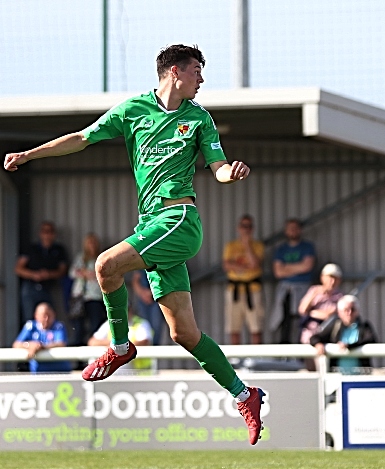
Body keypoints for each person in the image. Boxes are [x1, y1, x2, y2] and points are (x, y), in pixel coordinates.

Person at [4, 44, 264, 445]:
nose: (203, 79)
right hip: (154, 226)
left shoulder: (199, 119)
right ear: (175, 71)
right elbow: (81, 137)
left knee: (105, 265)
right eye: (198, 70)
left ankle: (121, 345)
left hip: (178, 219)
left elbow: (219, 169)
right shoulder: (134, 111)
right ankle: (245, 394)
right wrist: (29, 154)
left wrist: (233, 171)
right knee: (184, 334)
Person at [271, 218, 316, 343]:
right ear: (286, 231)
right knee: (285, 319)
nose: (293, 231)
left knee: (302, 318)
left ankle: (301, 346)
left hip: (302, 288)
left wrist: (286, 267)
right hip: (286, 289)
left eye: (295, 228)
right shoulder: (281, 249)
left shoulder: (307, 247)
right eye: (290, 228)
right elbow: (278, 272)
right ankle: (285, 351)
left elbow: (307, 266)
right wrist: (298, 266)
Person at [222, 214, 265, 345]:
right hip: (234, 290)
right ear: (238, 228)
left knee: (255, 326)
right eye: (243, 226)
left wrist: (247, 246)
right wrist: (244, 267)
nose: (246, 229)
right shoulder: (230, 246)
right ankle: (235, 359)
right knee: (233, 327)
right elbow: (226, 265)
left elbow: (254, 264)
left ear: (252, 229)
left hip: (253, 290)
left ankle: (256, 359)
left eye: (249, 226)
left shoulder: (257, 246)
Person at [15, 221, 69, 323]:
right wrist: (33, 275)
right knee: (29, 319)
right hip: (30, 287)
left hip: (47, 289)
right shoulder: (31, 248)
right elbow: (18, 268)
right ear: (40, 233)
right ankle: (30, 339)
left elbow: (63, 270)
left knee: (48, 318)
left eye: (50, 231)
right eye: (45, 231)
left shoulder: (58, 250)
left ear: (54, 234)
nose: (47, 234)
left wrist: (49, 274)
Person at [309, 295, 378, 374]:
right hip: (337, 376)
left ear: (357, 312)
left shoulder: (364, 326)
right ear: (339, 312)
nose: (349, 313)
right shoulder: (335, 326)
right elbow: (314, 337)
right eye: (346, 310)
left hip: (361, 376)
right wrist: (318, 344)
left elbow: (370, 340)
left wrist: (349, 346)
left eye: (353, 309)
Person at [89, 304, 154, 373]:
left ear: (131, 311)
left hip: (137, 372)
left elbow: (144, 341)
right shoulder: (109, 323)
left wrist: (122, 346)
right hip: (114, 371)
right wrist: (115, 344)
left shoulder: (141, 323)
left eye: (126, 310)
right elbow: (92, 342)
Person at [68, 233, 107, 345]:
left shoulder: (101, 257)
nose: (92, 245)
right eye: (90, 243)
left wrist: (92, 274)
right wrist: (85, 273)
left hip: (95, 297)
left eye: (94, 243)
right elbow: (72, 273)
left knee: (95, 326)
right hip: (80, 296)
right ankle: (79, 360)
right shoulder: (81, 258)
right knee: (78, 328)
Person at [13, 302, 72, 373]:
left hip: (60, 372)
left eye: (49, 315)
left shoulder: (58, 326)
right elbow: (16, 344)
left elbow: (61, 343)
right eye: (44, 315)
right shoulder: (31, 326)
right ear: (36, 316)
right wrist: (30, 345)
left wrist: (41, 347)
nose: (46, 318)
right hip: (39, 372)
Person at [131, 269, 166, 346]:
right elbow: (135, 280)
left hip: (157, 298)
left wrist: (152, 293)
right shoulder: (141, 262)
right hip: (143, 300)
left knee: (156, 328)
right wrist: (143, 294)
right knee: (143, 325)